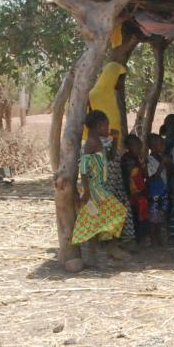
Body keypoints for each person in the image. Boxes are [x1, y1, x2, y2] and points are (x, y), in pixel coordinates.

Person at [72, 110, 129, 267]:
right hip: (94, 188)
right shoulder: (91, 143)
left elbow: (110, 157)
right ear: (98, 126)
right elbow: (84, 168)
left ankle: (99, 252)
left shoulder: (98, 141)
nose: (108, 128)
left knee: (102, 218)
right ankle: (100, 252)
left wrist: (115, 139)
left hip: (99, 187)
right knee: (108, 216)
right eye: (106, 125)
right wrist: (87, 191)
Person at [122, 134, 151, 247]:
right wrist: (129, 193)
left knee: (142, 215)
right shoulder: (125, 160)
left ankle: (141, 238)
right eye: (136, 147)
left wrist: (143, 165)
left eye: (140, 147)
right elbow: (126, 178)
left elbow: (144, 175)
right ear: (128, 147)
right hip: (131, 194)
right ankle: (135, 239)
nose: (139, 150)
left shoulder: (138, 159)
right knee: (134, 216)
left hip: (140, 192)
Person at [145, 133, 168, 245]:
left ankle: (158, 237)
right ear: (153, 147)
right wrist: (162, 163)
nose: (163, 146)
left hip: (162, 190)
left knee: (160, 215)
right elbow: (153, 176)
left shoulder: (160, 157)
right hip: (155, 191)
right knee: (153, 216)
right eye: (161, 144)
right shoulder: (149, 160)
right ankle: (153, 239)